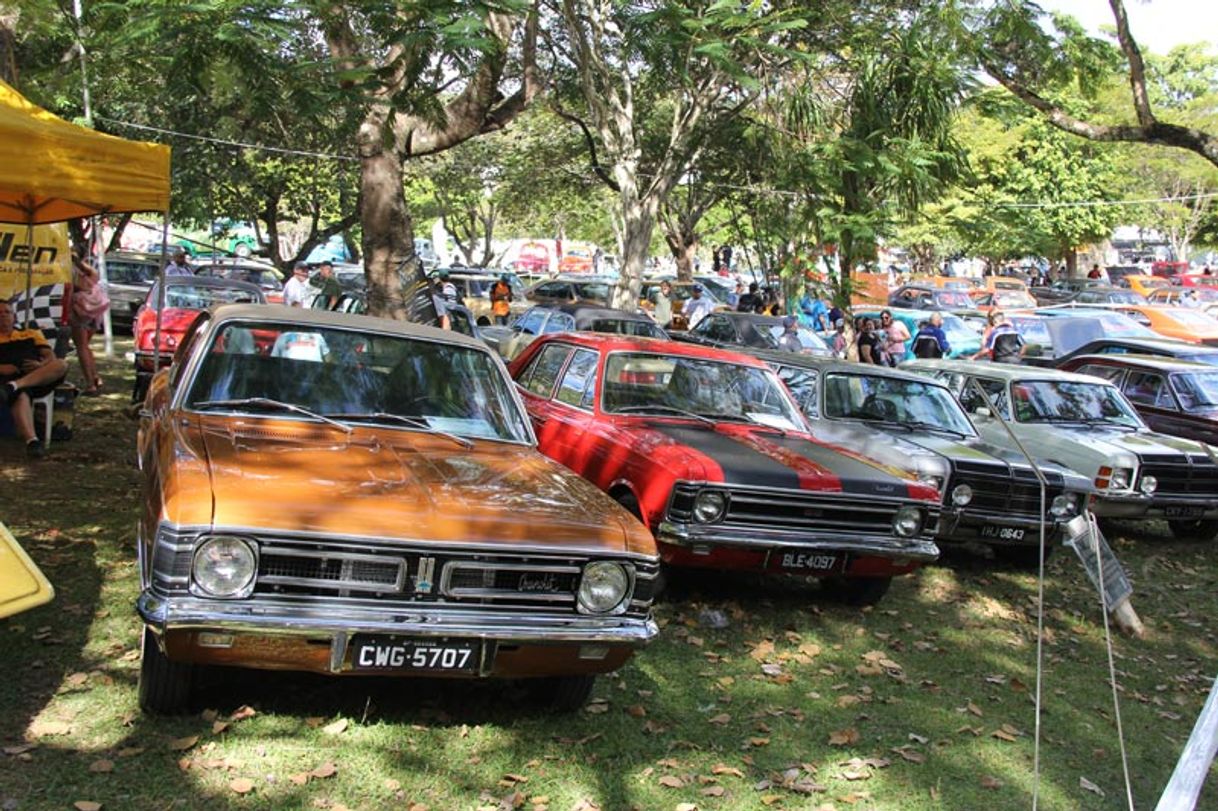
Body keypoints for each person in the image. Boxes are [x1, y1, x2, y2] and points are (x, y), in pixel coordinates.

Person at [0, 299, 68, 459]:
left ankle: (15, 386)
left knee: (61, 364)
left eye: (7, 313)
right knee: (21, 394)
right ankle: (32, 441)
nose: (3, 316)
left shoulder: (30, 333)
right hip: (5, 381)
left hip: (37, 378)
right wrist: (2, 368)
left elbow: (49, 356)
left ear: (14, 316)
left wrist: (40, 364)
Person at [69, 251, 108, 395]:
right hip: (94, 313)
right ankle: (95, 377)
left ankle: (90, 383)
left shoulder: (71, 275)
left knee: (81, 348)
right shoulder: (91, 273)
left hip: (80, 313)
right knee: (86, 347)